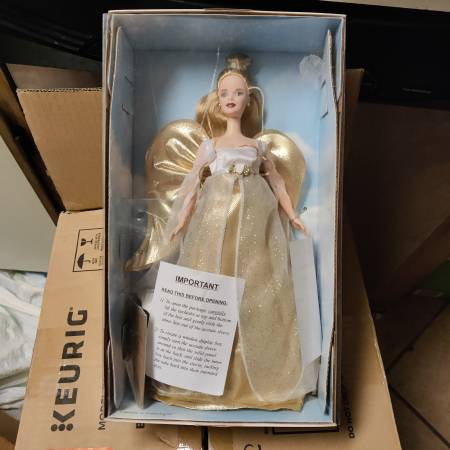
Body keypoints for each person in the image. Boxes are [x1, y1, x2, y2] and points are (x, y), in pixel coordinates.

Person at [145, 54, 314, 411]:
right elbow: (193, 184)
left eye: (238, 93)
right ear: (217, 101)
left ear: (249, 99)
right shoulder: (211, 145)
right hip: (215, 220)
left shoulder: (258, 146)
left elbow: (277, 182)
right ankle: (201, 372)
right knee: (211, 280)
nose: (231, 99)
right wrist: (180, 220)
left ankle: (255, 375)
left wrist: (292, 215)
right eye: (225, 94)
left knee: (257, 285)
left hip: (255, 219)